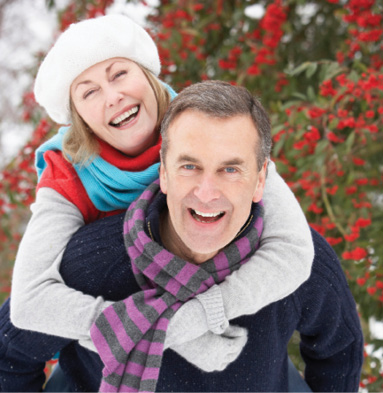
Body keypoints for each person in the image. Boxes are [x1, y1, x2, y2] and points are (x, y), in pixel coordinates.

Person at [0, 15, 314, 392]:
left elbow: (293, 249)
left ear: (147, 74)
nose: (112, 96)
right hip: (106, 356)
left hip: (238, 337)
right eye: (89, 92)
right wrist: (142, 331)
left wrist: (197, 316)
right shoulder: (68, 173)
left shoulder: (204, 125)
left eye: (119, 74)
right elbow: (29, 302)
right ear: (77, 117)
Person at [45, 81, 363, 392]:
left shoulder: (303, 264)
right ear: (164, 173)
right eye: (190, 166)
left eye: (230, 170)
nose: (207, 193)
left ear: (260, 180)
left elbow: (339, 350)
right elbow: (10, 355)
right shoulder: (91, 264)